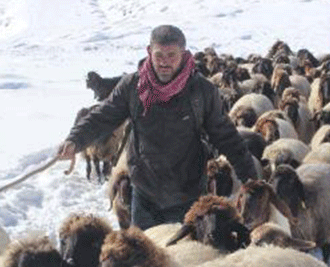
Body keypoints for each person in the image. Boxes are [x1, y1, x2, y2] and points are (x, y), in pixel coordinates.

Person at [56, 25, 257, 230]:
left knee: (184, 257)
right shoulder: (133, 86)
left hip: (188, 196)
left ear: (184, 54)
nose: (164, 62)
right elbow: (102, 117)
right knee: (144, 257)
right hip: (144, 194)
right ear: (149, 52)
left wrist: (251, 179)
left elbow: (225, 135)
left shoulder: (201, 91)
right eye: (159, 54)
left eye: (172, 55)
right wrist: (75, 140)